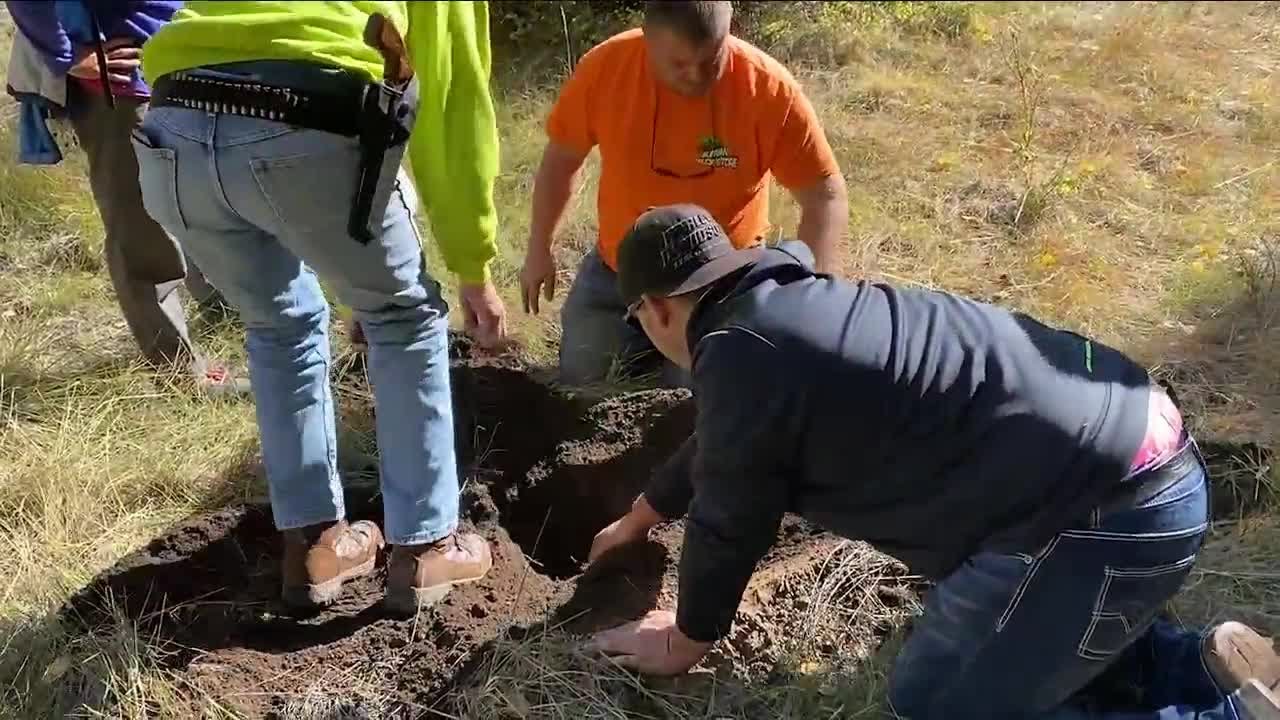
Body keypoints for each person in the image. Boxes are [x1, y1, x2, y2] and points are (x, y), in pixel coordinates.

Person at [585, 203, 1280, 719]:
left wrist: (687, 638)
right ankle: (1198, 666)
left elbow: (730, 515)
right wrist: (642, 516)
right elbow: (724, 446)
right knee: (1028, 639)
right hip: (1149, 460)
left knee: (939, 702)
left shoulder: (740, 354)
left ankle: (1223, 717)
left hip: (1104, 517)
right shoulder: (786, 314)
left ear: (653, 309)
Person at [133, 1, 509, 613]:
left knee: (279, 325)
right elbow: (450, 100)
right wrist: (473, 263)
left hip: (174, 122)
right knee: (403, 320)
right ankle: (427, 546)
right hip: (306, 109)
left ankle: (316, 546)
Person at [519, 0, 848, 387]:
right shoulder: (606, 69)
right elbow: (561, 160)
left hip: (722, 287)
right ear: (648, 41)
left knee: (701, 404)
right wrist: (539, 247)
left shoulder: (768, 89)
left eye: (710, 61)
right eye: (678, 64)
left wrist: (810, 296)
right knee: (584, 384)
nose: (695, 76)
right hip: (620, 274)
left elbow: (824, 193)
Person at [5, 0, 246, 395]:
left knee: (199, 198)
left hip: (184, 57)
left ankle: (225, 308)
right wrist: (67, 55)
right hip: (121, 83)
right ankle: (179, 376)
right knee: (141, 227)